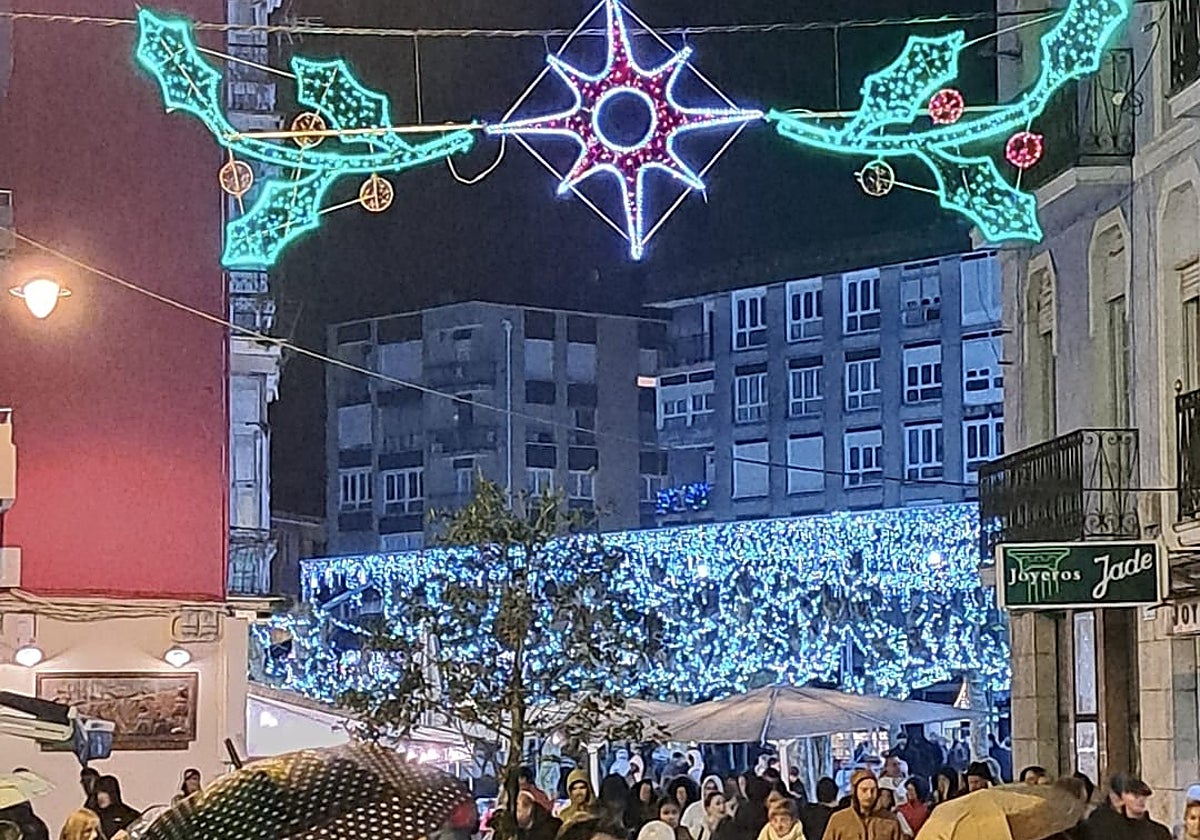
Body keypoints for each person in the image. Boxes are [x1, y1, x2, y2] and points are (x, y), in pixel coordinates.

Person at [821, 770, 901, 840]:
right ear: (855, 792)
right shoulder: (839, 820)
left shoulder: (891, 821)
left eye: (873, 790)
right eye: (864, 790)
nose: (869, 795)